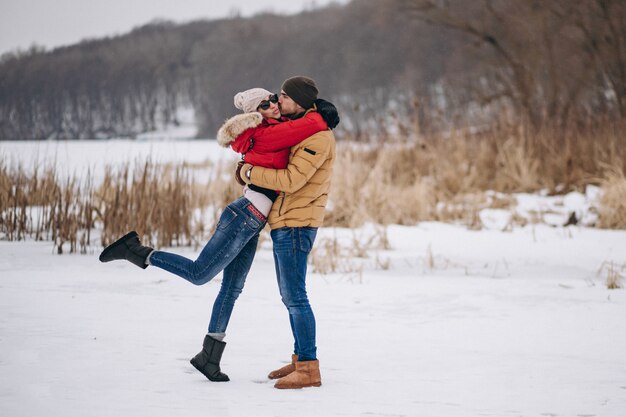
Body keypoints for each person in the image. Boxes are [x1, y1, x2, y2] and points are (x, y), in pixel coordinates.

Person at [99, 87, 338, 382]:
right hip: (244, 215)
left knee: (231, 289)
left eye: (274, 99)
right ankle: (138, 252)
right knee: (200, 273)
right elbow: (308, 129)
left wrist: (246, 170)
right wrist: (321, 114)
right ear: (254, 114)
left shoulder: (276, 128)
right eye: (265, 104)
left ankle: (209, 357)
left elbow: (300, 134)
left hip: (254, 221)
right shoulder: (265, 133)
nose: (273, 105)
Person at [237, 76, 337, 389]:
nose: (278, 100)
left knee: (296, 296)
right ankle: (299, 360)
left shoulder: (318, 137)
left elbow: (292, 180)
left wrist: (249, 172)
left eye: (283, 95)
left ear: (299, 100)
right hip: (287, 221)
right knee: (289, 295)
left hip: (297, 223)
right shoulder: (299, 128)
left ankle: (309, 368)